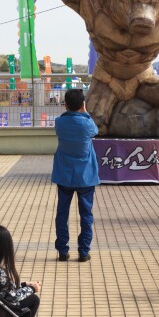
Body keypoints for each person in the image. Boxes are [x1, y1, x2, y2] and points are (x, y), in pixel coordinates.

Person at [51, 88, 99, 263]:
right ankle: (84, 251)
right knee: (86, 214)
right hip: (85, 176)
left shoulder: (59, 123)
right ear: (83, 105)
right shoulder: (87, 124)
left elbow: (64, 121)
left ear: (65, 105)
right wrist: (86, 113)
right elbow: (95, 130)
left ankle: (63, 251)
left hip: (64, 174)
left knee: (62, 213)